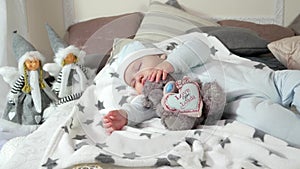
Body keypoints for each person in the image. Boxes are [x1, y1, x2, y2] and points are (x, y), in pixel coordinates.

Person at [103, 32, 300, 147]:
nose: (139, 78)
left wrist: (171, 65)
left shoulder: (186, 60)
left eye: (138, 68)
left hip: (273, 80)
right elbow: (140, 107)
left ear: (161, 55)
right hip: (240, 103)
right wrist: (124, 115)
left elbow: (199, 46)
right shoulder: (160, 96)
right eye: (133, 82)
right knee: (266, 119)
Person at [1, 32, 58, 125]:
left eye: (36, 62)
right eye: (30, 62)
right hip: (28, 96)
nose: (34, 64)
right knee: (27, 110)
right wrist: (12, 96)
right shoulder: (23, 77)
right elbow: (16, 87)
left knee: (47, 104)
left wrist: (54, 98)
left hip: (42, 95)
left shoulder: (41, 76)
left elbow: (46, 87)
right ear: (24, 64)